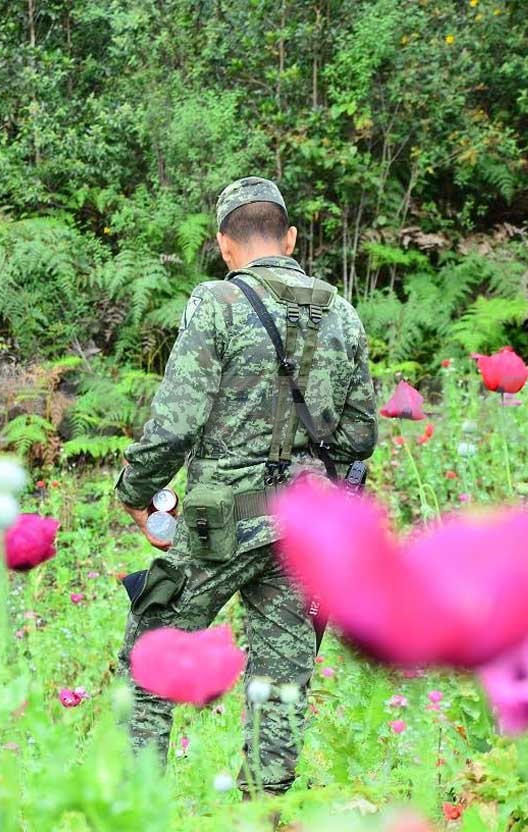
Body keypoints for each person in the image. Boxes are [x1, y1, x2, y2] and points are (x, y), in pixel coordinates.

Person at [114, 176, 377, 794]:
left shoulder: (216, 303)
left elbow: (176, 421)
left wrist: (136, 491)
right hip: (305, 525)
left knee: (149, 657)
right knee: (282, 680)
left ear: (225, 246)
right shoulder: (341, 312)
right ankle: (261, 812)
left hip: (218, 521)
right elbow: (359, 434)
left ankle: (137, 807)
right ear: (288, 238)